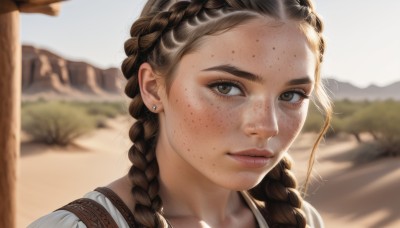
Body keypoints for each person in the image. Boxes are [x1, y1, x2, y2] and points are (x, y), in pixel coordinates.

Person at [29, 0, 332, 227]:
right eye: (226, 87)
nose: (267, 126)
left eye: (291, 95)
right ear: (152, 88)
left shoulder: (302, 220)